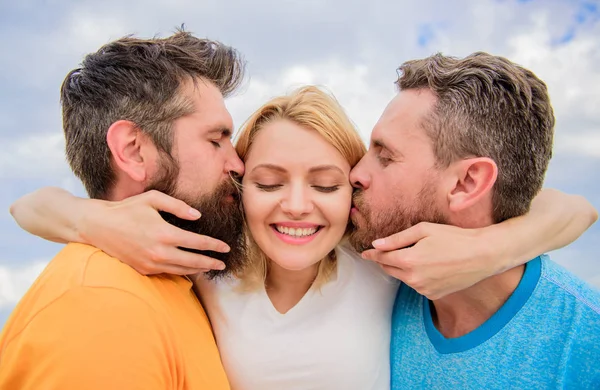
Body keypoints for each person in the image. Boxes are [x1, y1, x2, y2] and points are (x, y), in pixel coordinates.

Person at [8, 80, 597, 390]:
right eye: (268, 182)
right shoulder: (215, 259)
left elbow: (572, 208)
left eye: (325, 183)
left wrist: (486, 248)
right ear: (240, 188)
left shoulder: (372, 255)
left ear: (353, 191)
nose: (297, 207)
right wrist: (93, 218)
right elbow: (27, 205)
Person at [0, 31, 248, 389]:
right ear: (133, 150)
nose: (238, 164)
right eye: (215, 140)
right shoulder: (102, 307)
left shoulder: (175, 282)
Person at [348, 52, 600, 388]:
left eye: (385, 156)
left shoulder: (585, 342)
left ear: (468, 182)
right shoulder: (374, 284)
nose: (355, 173)